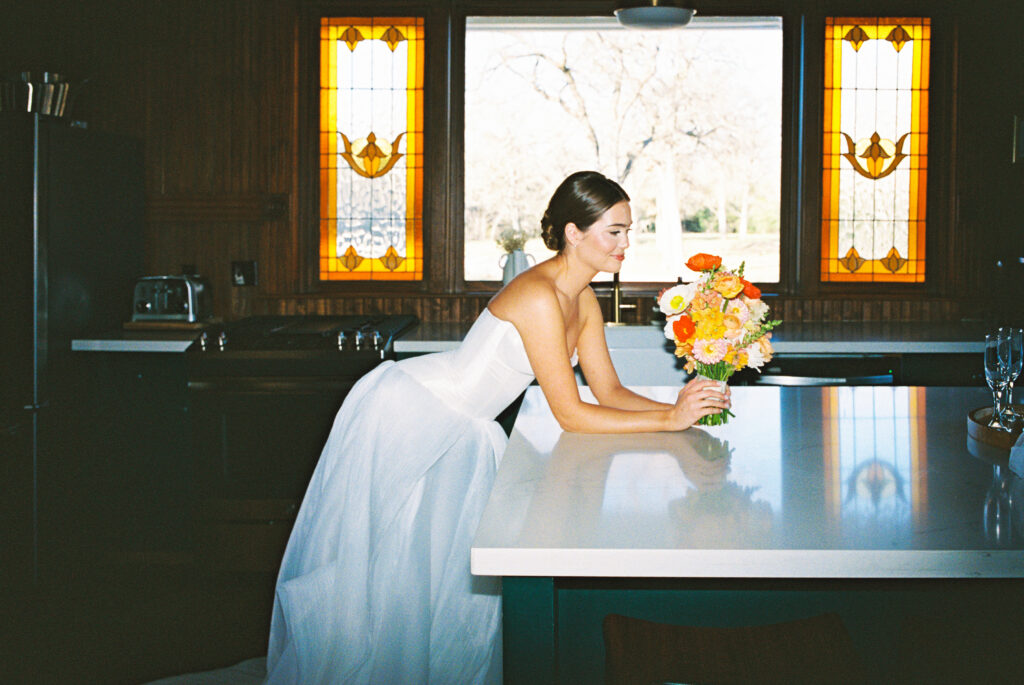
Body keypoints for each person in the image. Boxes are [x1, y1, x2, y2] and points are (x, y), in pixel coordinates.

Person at [263, 170, 732, 684]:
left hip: (466, 429)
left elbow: (610, 393)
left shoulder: (583, 297)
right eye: (614, 231)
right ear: (574, 233)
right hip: (416, 412)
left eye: (628, 231)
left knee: (426, 573)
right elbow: (570, 415)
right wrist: (670, 420)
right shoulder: (538, 296)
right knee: (377, 565)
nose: (625, 244)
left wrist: (683, 413)